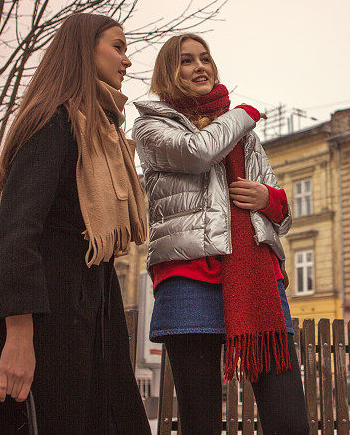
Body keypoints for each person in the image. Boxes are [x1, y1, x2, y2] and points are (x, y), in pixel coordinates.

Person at [0, 13, 151, 434]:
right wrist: (19, 338)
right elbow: (16, 234)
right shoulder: (53, 121)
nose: (127, 61)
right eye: (118, 46)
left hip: (92, 310)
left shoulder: (102, 132)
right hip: (46, 319)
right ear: (84, 48)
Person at [131, 33, 308, 435]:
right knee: (200, 417)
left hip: (256, 274)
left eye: (205, 59)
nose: (200, 67)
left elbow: (282, 217)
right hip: (189, 276)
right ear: (167, 73)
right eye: (187, 61)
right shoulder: (150, 127)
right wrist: (242, 113)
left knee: (287, 413)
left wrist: (268, 197)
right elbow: (197, 152)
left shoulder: (244, 135)